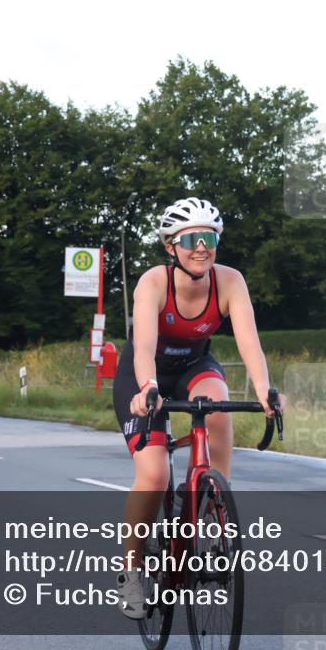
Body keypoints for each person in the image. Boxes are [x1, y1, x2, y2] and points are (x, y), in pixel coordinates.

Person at [111, 197, 283, 619]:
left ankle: (213, 509)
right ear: (171, 246)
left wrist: (264, 389)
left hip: (194, 365)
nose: (201, 247)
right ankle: (132, 573)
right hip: (145, 374)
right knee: (154, 473)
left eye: (208, 238)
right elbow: (145, 346)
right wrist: (148, 388)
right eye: (191, 240)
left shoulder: (230, 282)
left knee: (219, 408)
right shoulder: (153, 283)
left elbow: (249, 341)